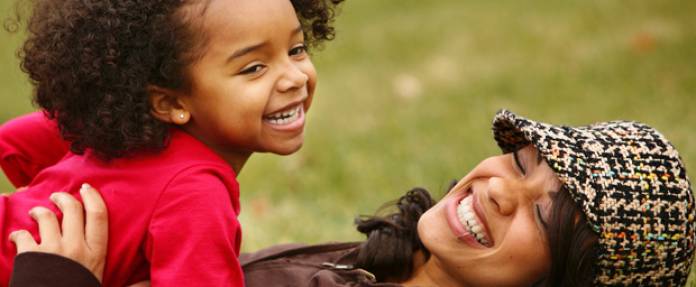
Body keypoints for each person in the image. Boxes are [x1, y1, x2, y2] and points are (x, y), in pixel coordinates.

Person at [9, 109, 695, 286]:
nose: (499, 188)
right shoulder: (373, 264)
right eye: (521, 161)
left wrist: (54, 279)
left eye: (546, 211)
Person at [0, 0, 344, 286]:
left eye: (296, 49)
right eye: (253, 68)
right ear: (171, 104)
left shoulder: (113, 128)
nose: (295, 77)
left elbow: (13, 141)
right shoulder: (194, 193)